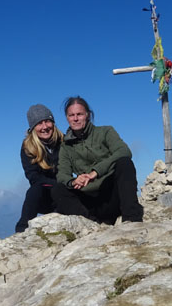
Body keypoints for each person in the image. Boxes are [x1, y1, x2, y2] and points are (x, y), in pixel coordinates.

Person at [53, 96, 144, 224]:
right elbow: (62, 174)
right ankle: (90, 223)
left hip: (111, 195)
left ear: (88, 115)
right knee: (58, 189)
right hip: (89, 202)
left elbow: (124, 151)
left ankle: (132, 219)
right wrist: (73, 181)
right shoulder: (66, 146)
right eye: (71, 115)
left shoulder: (106, 132)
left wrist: (95, 172)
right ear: (67, 118)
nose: (75, 118)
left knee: (125, 163)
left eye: (79, 114)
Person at [15, 104, 64, 233]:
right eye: (39, 123)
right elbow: (34, 177)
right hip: (46, 196)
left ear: (53, 123)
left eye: (47, 121)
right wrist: (57, 184)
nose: (45, 127)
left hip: (65, 193)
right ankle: (22, 229)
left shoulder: (64, 141)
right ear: (33, 128)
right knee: (34, 191)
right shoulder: (28, 147)